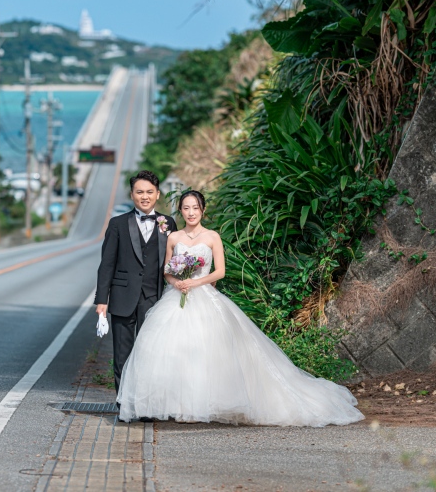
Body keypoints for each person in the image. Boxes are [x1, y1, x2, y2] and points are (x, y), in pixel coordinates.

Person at [116, 190, 364, 427]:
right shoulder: (174, 237)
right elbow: (167, 271)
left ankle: (200, 406)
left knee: (206, 351)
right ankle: (182, 406)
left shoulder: (212, 237)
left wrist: (195, 281)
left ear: (203, 210)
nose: (191, 212)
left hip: (205, 295)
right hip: (177, 297)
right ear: (180, 211)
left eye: (195, 208)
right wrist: (177, 282)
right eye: (186, 208)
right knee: (176, 351)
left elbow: (220, 272)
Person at [95, 170, 177, 397]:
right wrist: (102, 300)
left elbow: (175, 260)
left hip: (155, 298)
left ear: (158, 194)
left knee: (151, 353)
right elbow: (106, 264)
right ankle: (124, 404)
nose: (145, 196)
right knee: (122, 353)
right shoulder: (117, 224)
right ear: (132, 195)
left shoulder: (168, 223)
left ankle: (145, 403)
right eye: (139, 192)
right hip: (122, 297)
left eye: (149, 192)